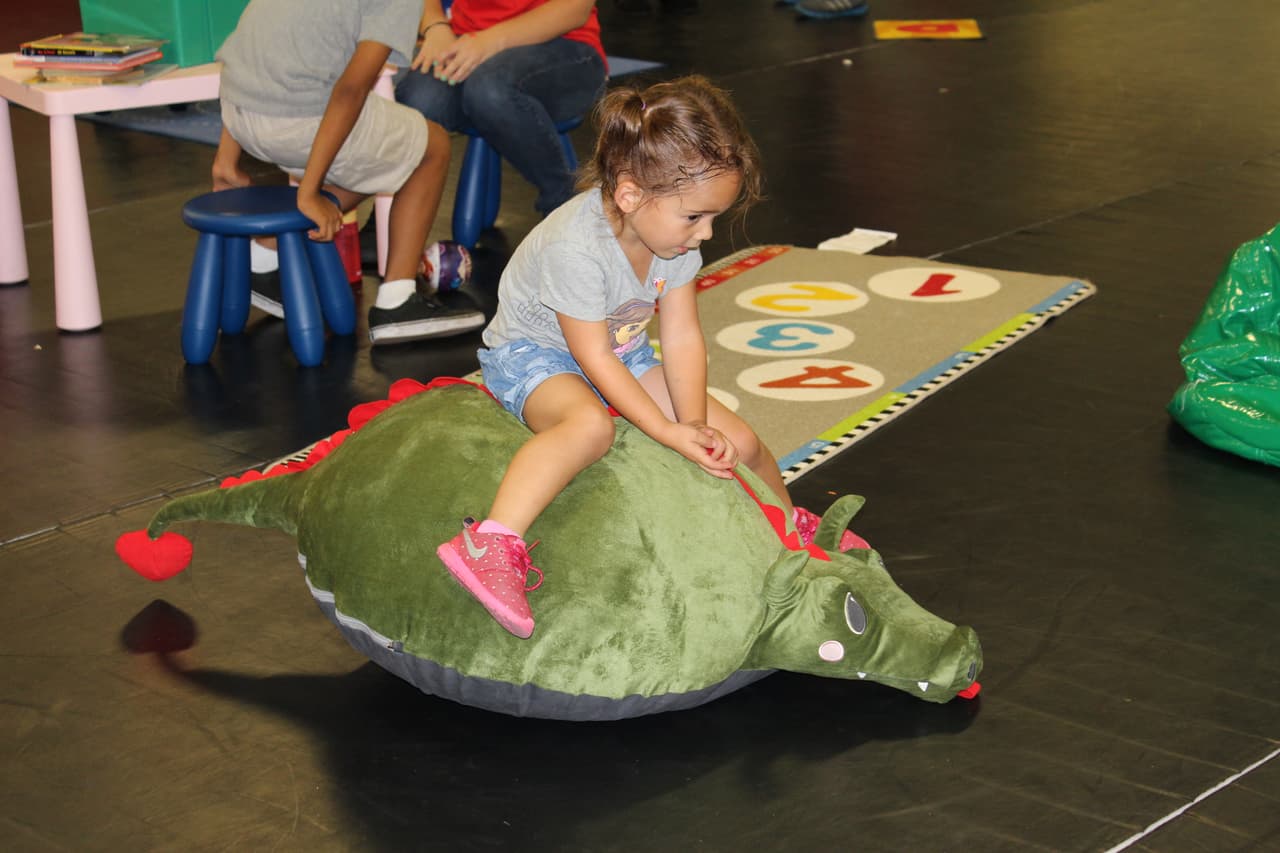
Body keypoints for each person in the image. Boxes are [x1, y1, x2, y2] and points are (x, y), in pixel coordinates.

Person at [435, 75, 866, 639]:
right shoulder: (576, 247)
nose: (705, 234)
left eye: (713, 217)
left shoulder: (673, 238)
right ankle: (491, 541)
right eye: (695, 217)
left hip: (624, 350)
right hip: (535, 355)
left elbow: (682, 334)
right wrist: (666, 432)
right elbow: (591, 358)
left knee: (743, 444)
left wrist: (694, 425)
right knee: (589, 428)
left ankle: (787, 532)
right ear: (631, 194)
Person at [212, 0, 486, 345]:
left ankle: (264, 256)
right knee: (431, 146)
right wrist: (309, 191)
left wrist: (226, 161)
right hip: (296, 124)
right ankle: (397, 302)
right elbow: (351, 91)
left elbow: (246, 51)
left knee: (380, 153)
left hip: (239, 113)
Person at [394, 0, 609, 221]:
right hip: (469, 45)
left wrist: (489, 41)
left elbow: (575, 9)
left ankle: (566, 204)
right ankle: (391, 217)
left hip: (566, 45)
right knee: (418, 95)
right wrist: (435, 26)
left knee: (489, 89)